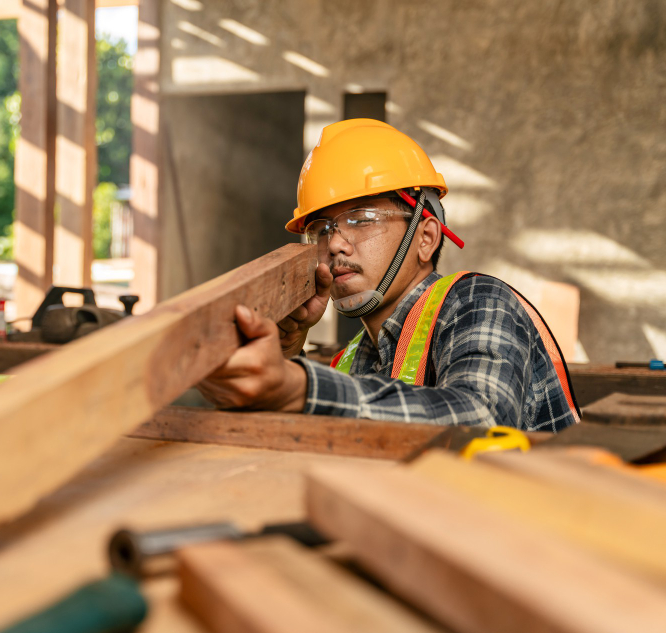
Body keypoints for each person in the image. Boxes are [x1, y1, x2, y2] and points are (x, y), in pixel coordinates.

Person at [198, 119, 579, 432]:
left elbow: (482, 418)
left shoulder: (479, 302)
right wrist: (282, 356)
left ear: (426, 238)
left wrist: (299, 387)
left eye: (362, 220)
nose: (335, 245)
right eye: (323, 230)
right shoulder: (355, 359)